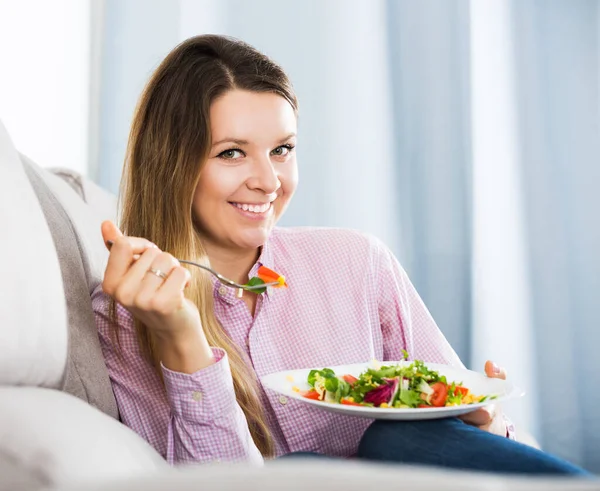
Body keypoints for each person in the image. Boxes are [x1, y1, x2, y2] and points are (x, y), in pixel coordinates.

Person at [92, 34, 589, 476]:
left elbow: (460, 421)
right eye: (231, 153)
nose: (269, 182)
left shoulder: (356, 261)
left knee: (392, 436)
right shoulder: (125, 312)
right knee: (302, 469)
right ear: (172, 164)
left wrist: (484, 420)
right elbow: (218, 480)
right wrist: (182, 337)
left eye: (282, 149)